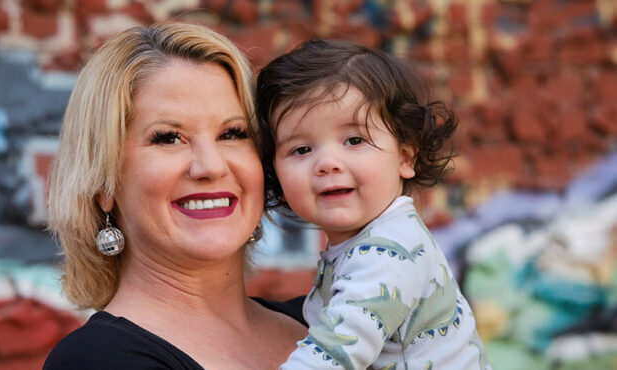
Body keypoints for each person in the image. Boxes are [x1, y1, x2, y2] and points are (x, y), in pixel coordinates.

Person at [43, 23, 307, 370]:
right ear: (104, 183)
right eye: (168, 138)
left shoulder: (333, 322)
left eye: (232, 133)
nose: (210, 166)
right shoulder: (97, 359)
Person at [256, 39, 490, 370]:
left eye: (354, 140)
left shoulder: (388, 252)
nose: (327, 163)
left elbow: (333, 355)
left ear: (405, 158)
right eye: (302, 149)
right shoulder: (367, 241)